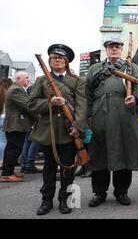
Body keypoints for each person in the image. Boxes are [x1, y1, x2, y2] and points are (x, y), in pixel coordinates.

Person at [27, 44, 87, 215]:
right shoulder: (41, 80)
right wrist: (49, 103)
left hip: (69, 132)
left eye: (61, 57)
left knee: (68, 169)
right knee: (49, 168)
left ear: (67, 62)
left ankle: (65, 200)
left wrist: (78, 127)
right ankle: (46, 201)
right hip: (49, 132)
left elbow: (82, 106)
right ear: (49, 61)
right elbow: (30, 105)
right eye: (53, 57)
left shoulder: (77, 81)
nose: (57, 60)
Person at [85, 38, 138, 208]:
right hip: (100, 114)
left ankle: (121, 191)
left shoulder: (132, 68)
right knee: (100, 154)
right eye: (110, 46)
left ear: (122, 49)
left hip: (124, 114)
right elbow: (87, 93)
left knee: (124, 151)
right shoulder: (95, 69)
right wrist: (89, 114)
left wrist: (135, 97)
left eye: (117, 46)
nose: (114, 49)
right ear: (106, 49)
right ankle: (99, 192)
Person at [1, 71, 34, 182]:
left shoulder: (16, 89)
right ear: (19, 79)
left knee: (12, 148)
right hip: (15, 125)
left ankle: (8, 171)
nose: (28, 79)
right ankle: (7, 173)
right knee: (13, 149)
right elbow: (28, 105)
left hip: (16, 124)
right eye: (27, 77)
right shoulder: (16, 90)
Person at [19, 84, 42, 174]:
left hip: (29, 120)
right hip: (37, 119)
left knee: (28, 141)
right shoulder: (37, 88)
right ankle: (29, 164)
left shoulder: (29, 88)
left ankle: (24, 164)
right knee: (35, 141)